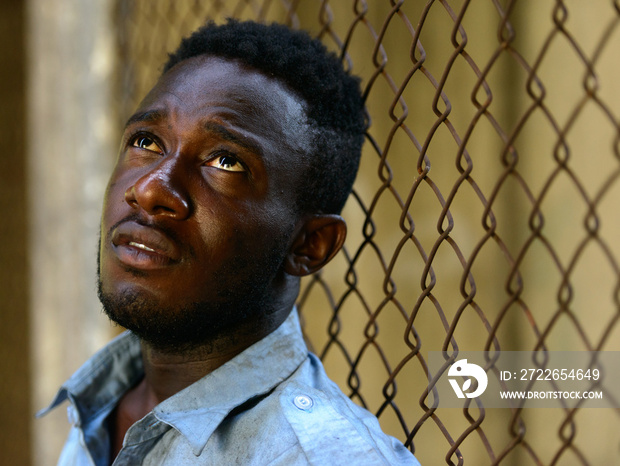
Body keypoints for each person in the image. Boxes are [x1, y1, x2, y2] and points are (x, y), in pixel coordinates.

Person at [39, 19, 420, 465]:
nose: (151, 189)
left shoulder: (316, 457)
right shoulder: (104, 404)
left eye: (226, 162)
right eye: (146, 141)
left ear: (309, 244)